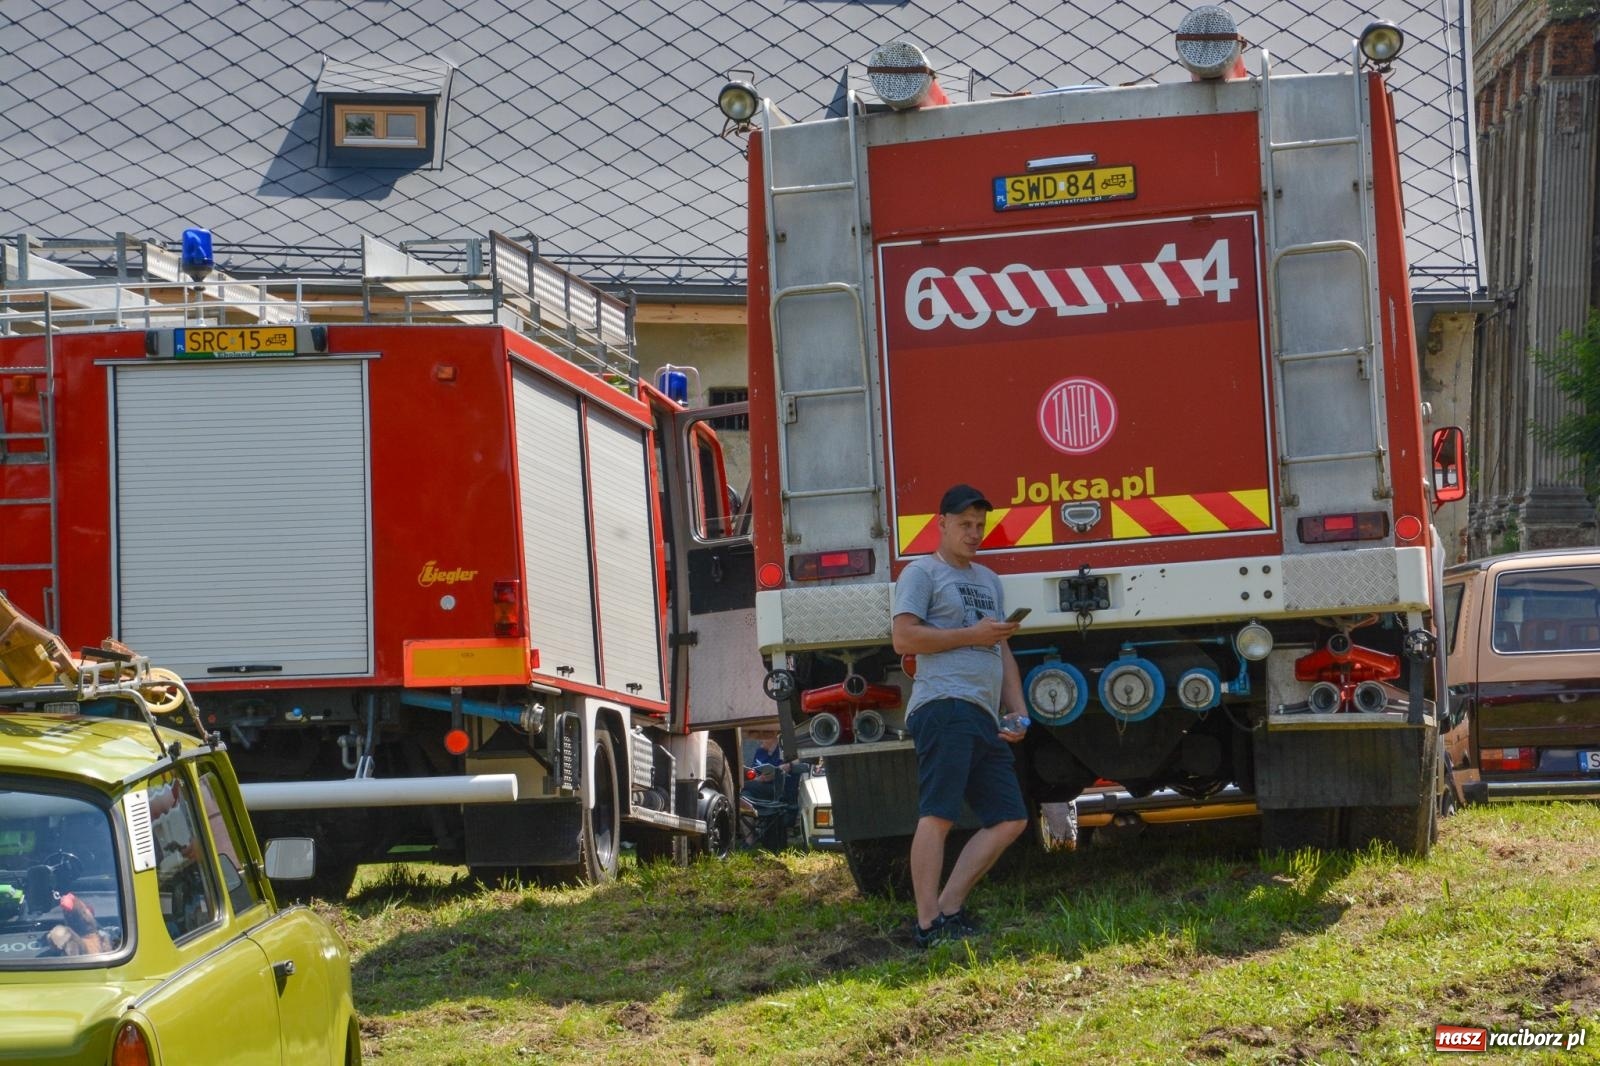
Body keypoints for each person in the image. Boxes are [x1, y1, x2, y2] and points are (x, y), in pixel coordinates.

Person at [891, 483, 1029, 947]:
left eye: (980, 525)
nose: (974, 533)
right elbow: (905, 639)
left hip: (983, 714)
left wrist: (1019, 712)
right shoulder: (922, 573)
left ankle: (950, 909)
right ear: (942, 524)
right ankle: (927, 924)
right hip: (943, 705)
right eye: (965, 524)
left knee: (1010, 818)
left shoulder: (989, 580)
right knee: (939, 815)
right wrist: (972, 634)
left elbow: (1002, 651)